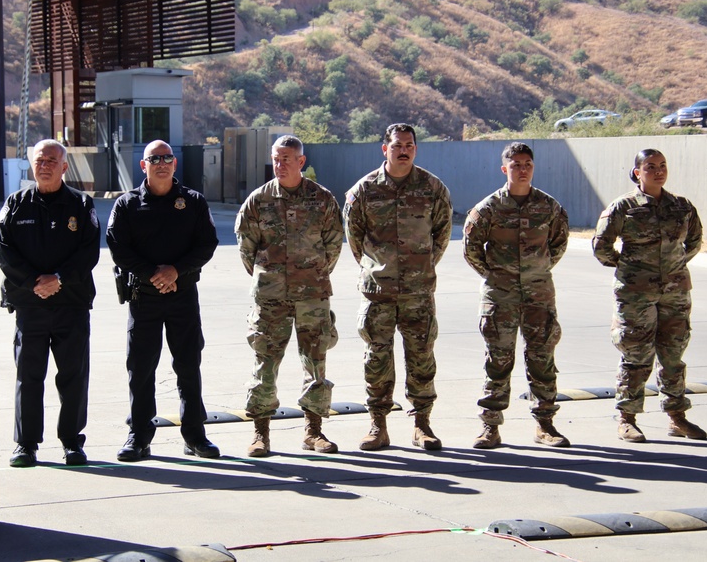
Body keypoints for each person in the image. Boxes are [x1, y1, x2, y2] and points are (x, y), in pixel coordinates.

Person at [106, 140, 220, 462]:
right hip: (143, 298)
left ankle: (195, 436)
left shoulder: (193, 202)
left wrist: (175, 272)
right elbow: (118, 248)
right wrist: (153, 275)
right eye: (154, 159)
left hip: (183, 296)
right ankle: (139, 436)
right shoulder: (127, 205)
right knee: (140, 369)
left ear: (174, 164)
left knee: (188, 366)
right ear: (143, 166)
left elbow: (207, 244)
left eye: (167, 157)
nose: (161, 163)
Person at [343, 123, 452, 451]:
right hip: (378, 291)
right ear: (384, 149)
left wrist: (422, 267)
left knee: (421, 356)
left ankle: (422, 425)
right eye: (397, 145)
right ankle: (378, 425)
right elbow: (354, 237)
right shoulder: (364, 190)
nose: (403, 150)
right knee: (377, 357)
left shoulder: (432, 188)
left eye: (409, 145)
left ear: (415, 149)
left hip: (418, 292)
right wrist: (378, 268)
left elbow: (442, 235)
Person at [235, 135, 343, 457]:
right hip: (271, 298)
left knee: (316, 362)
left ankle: (314, 432)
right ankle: (260, 433)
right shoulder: (258, 201)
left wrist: (313, 276)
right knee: (265, 363)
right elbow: (247, 250)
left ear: (301, 162)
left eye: (286, 159)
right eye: (275, 159)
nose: (279, 165)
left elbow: (334, 244)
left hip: (313, 295)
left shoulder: (322, 199)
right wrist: (269, 279)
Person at [0, 139, 101, 467]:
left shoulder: (81, 206)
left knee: (73, 375)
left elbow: (89, 252)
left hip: (71, 303)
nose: (45, 166)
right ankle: (26, 444)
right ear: (31, 164)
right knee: (29, 375)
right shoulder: (15, 204)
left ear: (64, 167)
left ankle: (72, 442)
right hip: (30, 305)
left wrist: (60, 279)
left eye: (52, 161)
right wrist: (32, 283)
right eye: (40, 160)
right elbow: (3, 250)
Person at [593, 148, 707, 443]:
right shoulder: (623, 207)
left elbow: (694, 240)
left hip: (675, 292)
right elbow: (601, 246)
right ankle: (627, 418)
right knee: (636, 354)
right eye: (651, 166)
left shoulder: (682, 207)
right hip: (636, 294)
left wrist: (676, 265)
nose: (658, 171)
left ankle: (676, 416)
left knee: (673, 355)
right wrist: (628, 268)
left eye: (662, 166)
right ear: (637, 173)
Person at [462, 142, 570, 449]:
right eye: (516, 165)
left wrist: (537, 270)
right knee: (497, 360)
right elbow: (471, 248)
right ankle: (490, 427)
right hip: (500, 296)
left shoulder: (549, 207)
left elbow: (559, 243)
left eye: (527, 164)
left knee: (542, 358)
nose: (522, 170)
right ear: (504, 169)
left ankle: (545, 424)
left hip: (539, 295)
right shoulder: (489, 208)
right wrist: (495, 275)